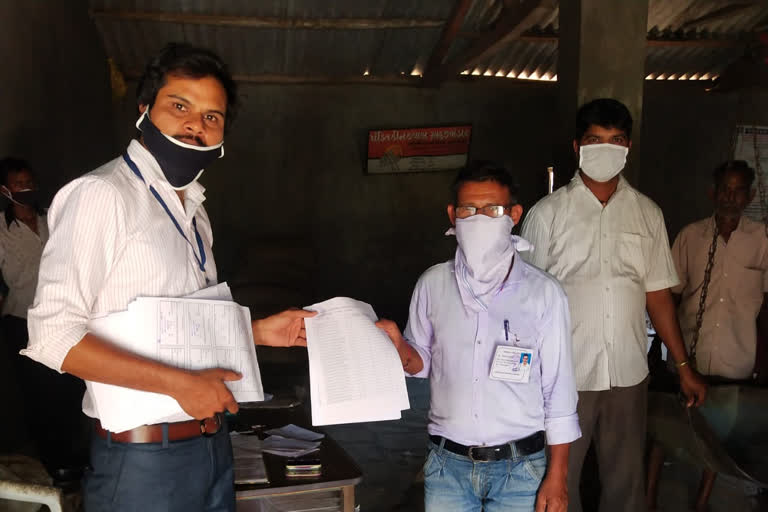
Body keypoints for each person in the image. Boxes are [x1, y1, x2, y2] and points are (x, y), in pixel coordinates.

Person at [23, 43, 314, 512]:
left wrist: (257, 332)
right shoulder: (103, 195)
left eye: (212, 117)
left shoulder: (195, 212)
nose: (196, 124)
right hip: (142, 460)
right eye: (180, 106)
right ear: (144, 112)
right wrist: (178, 385)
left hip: (209, 443)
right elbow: (53, 336)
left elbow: (184, 328)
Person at [519, 98, 707, 512]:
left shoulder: (647, 214)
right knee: (558, 481)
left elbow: (657, 295)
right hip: (564, 376)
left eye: (616, 140)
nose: (605, 148)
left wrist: (683, 367)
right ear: (577, 147)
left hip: (627, 372)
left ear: (628, 147)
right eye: (595, 140)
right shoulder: (547, 215)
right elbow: (522, 302)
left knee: (626, 483)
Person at [377, 161, 580, 512]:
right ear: (453, 214)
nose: (479, 218)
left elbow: (559, 390)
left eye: (493, 210)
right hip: (447, 466)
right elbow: (419, 364)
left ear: (514, 214)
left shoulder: (544, 294)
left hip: (521, 469)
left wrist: (558, 477)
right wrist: (396, 343)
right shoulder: (433, 284)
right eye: (469, 210)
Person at [646, 160, 768, 511]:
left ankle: (701, 503)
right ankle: (650, 500)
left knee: (716, 433)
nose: (731, 197)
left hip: (736, 353)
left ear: (751, 196)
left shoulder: (761, 241)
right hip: (688, 353)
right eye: (725, 189)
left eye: (739, 190)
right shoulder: (691, 236)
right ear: (712, 193)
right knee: (666, 428)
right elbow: (669, 295)